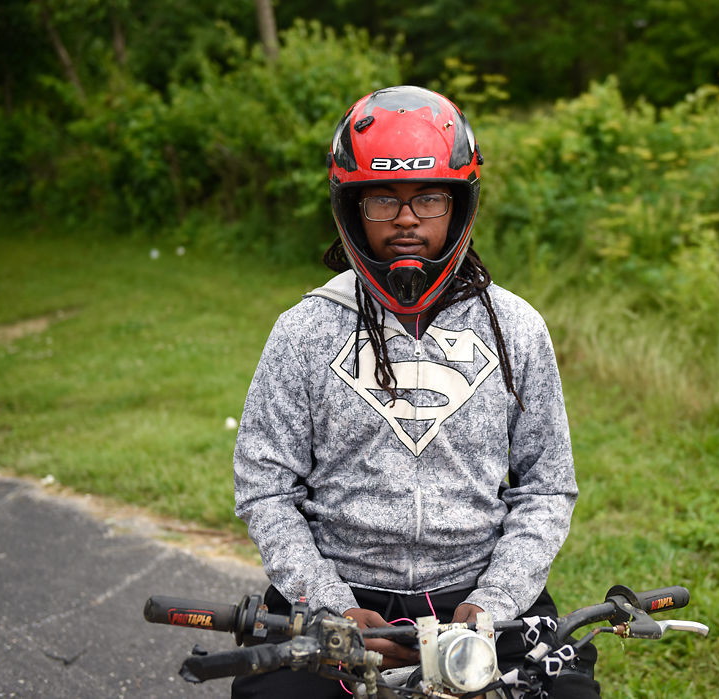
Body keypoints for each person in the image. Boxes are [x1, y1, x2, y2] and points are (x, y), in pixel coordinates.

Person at [232, 85, 598, 697]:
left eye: (428, 198)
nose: (407, 219)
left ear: (459, 206)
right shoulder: (304, 329)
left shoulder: (517, 328)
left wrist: (492, 601)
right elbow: (265, 488)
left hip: (478, 595)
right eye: (383, 200)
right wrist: (329, 605)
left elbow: (547, 486)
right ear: (352, 208)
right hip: (341, 592)